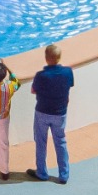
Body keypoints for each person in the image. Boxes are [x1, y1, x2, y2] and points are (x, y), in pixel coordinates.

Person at [28, 43, 74, 183]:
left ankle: (41, 172)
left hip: (42, 112)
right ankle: (64, 174)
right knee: (60, 142)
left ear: (46, 58)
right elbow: (69, 86)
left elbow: (33, 90)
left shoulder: (41, 75)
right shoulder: (68, 72)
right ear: (59, 57)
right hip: (60, 113)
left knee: (41, 142)